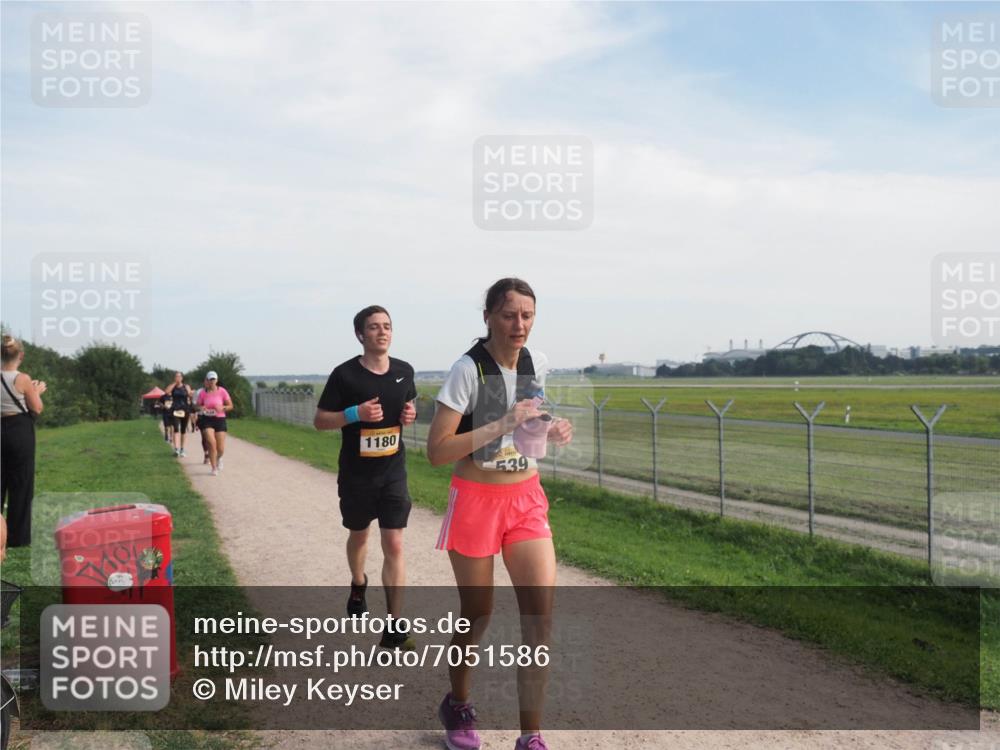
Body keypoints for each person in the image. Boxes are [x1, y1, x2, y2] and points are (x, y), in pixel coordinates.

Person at [426, 278, 573, 750]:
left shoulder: (536, 363)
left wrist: (550, 430)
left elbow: (527, 428)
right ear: (488, 316)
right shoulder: (467, 370)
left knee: (539, 618)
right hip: (475, 501)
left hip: (525, 499)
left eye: (527, 315)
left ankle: (531, 736)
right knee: (477, 613)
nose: (519, 325)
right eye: (509, 315)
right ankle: (458, 704)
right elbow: (437, 451)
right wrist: (501, 422)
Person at [313, 306, 417, 649]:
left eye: (387, 326)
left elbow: (408, 406)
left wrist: (410, 413)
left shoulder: (404, 371)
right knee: (359, 536)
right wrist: (354, 413)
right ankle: (358, 583)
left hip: (393, 471)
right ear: (360, 335)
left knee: (395, 543)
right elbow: (320, 421)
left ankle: (394, 624)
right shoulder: (344, 375)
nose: (382, 332)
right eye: (374, 327)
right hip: (357, 475)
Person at [1, 335, 46, 548]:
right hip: (19, 430)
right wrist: (37, 391)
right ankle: (17, 538)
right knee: (21, 482)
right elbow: (36, 408)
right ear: (21, 355)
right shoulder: (23, 379)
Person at [196, 371, 232, 476]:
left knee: (220, 449)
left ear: (216, 380)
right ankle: (214, 467)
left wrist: (223, 408)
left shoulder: (222, 391)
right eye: (210, 379)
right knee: (211, 443)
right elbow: (197, 406)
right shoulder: (202, 393)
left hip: (220, 419)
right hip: (207, 420)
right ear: (206, 380)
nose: (212, 381)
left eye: (213, 379)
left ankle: (219, 458)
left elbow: (230, 406)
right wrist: (201, 408)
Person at [163, 372, 193, 458]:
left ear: (182, 378)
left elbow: (190, 395)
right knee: (176, 429)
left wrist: (191, 394)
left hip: (185, 410)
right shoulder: (173, 386)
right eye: (176, 376)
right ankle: (176, 449)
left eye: (179, 376)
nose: (178, 378)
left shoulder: (186, 386)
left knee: (183, 430)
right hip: (175, 410)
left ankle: (182, 449)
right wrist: (174, 383)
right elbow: (166, 392)